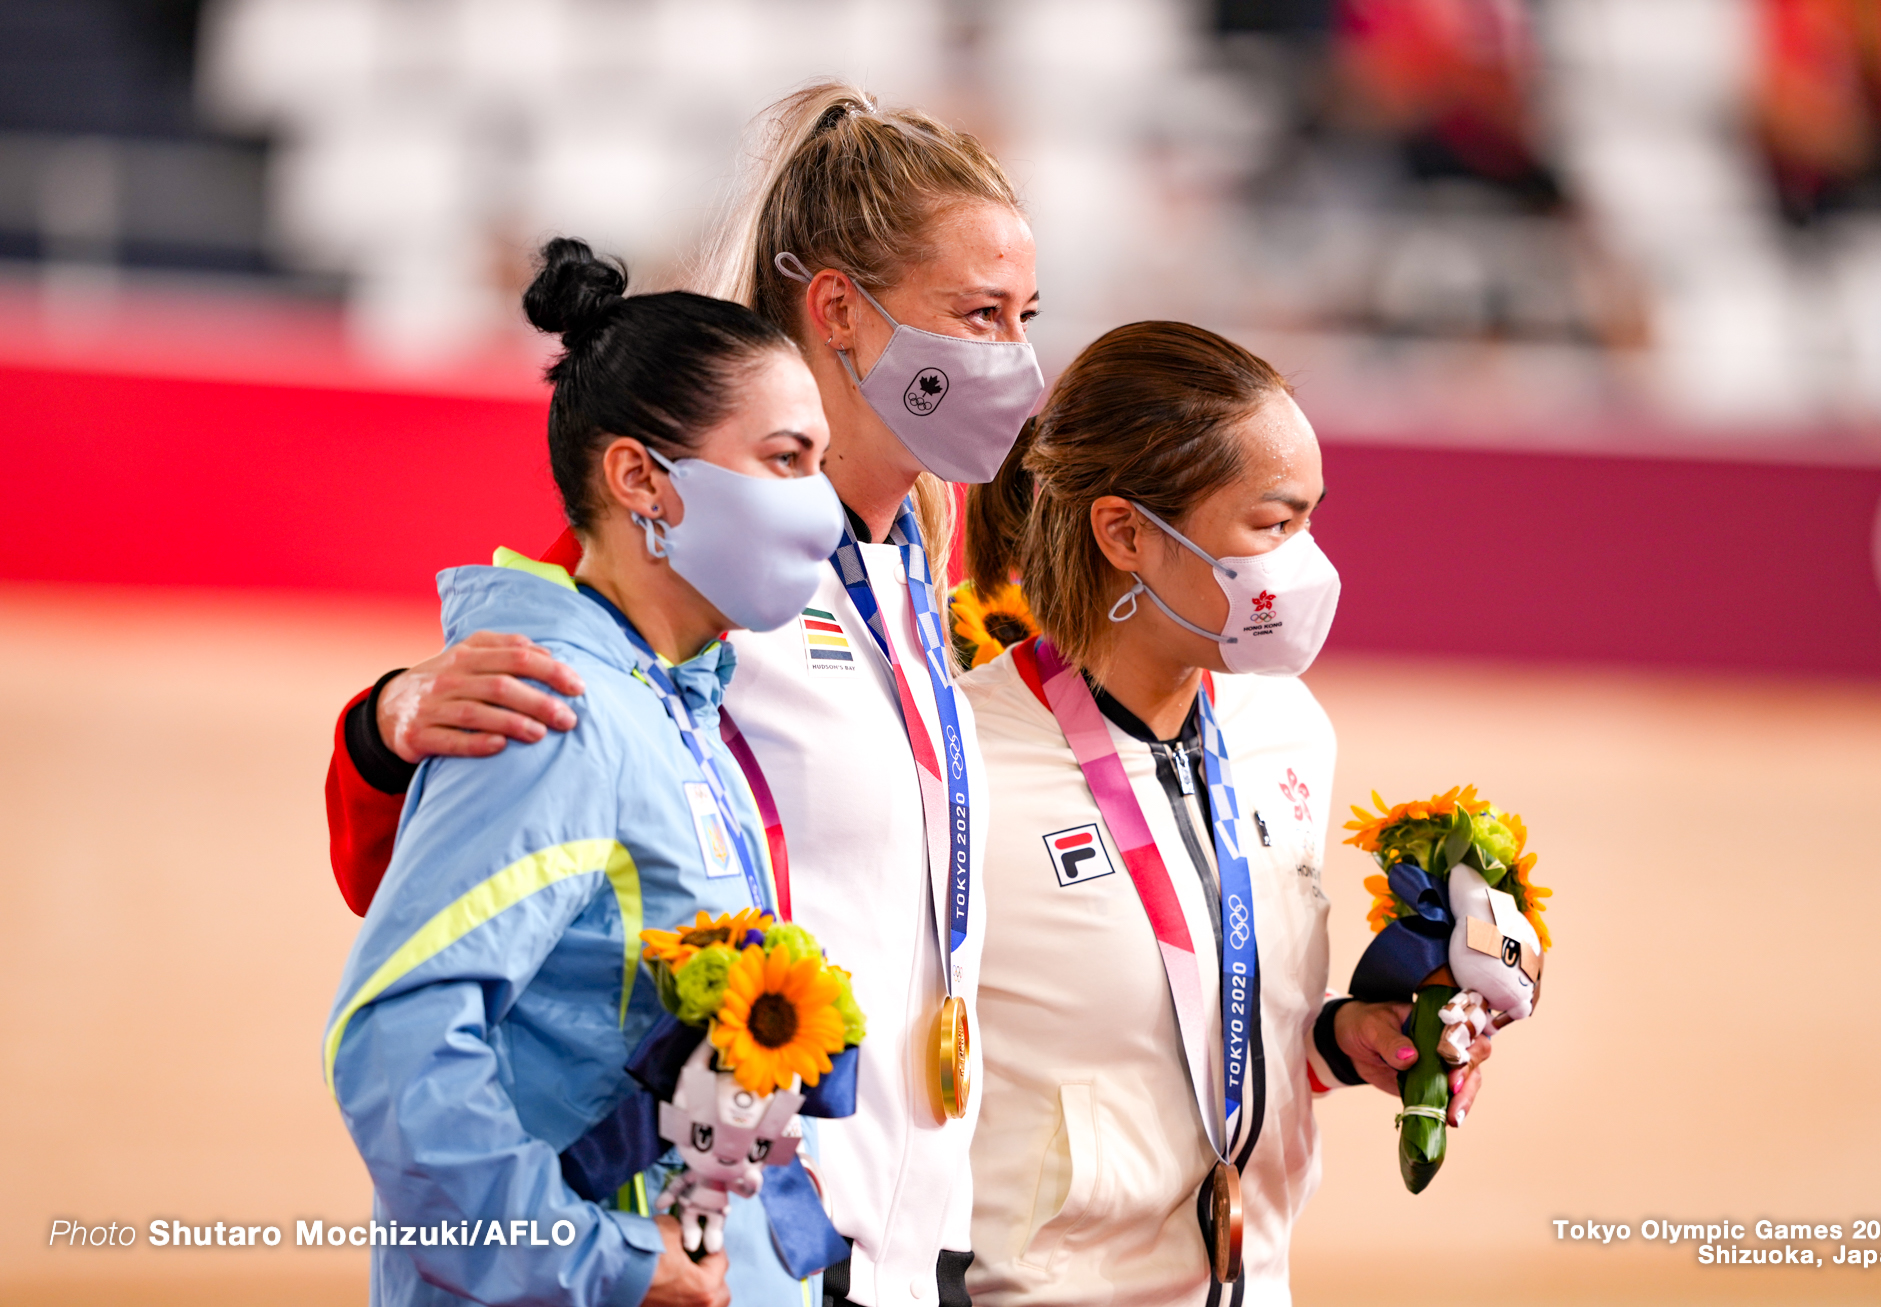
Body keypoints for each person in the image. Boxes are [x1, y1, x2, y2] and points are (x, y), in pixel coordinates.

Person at [321, 83, 1042, 1307]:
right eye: (978, 316)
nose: (1015, 358)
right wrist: (386, 725)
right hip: (727, 1233)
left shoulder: (924, 544)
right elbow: (481, 795)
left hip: (896, 1240)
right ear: (839, 314)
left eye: (1026, 315)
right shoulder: (699, 554)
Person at [326, 238, 844, 1307]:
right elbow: (395, 1041)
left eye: (820, 464)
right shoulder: (556, 710)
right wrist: (594, 1255)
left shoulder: (676, 698)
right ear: (639, 478)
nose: (820, 504)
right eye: (786, 459)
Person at [953, 322, 1494, 1305]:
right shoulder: (962, 764)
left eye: (1311, 521)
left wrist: (1338, 1039)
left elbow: (1214, 1005)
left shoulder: (1282, 724)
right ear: (1125, 534)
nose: (1308, 565)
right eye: (1270, 524)